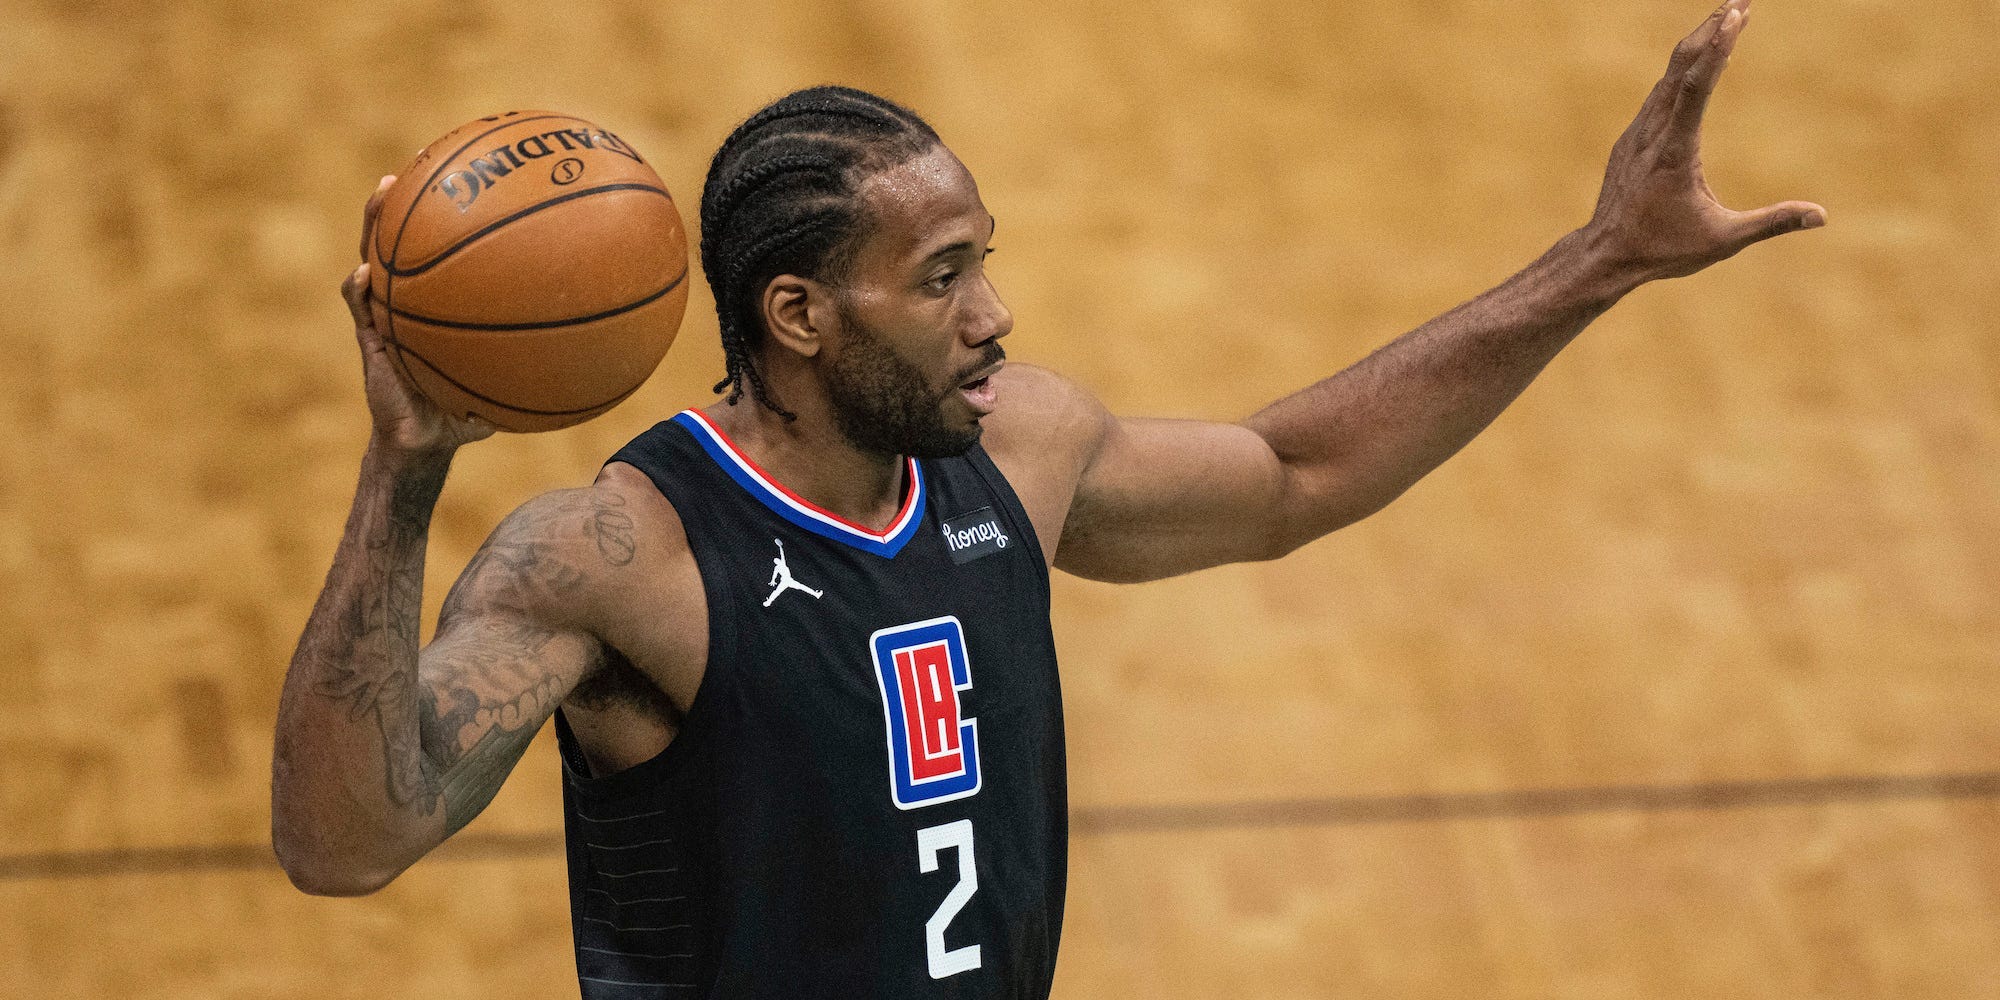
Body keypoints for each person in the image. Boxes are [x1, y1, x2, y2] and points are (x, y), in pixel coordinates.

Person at [270, 1, 1821, 996]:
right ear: (801, 316)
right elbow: (347, 844)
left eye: (985, 258)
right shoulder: (618, 558)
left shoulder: (1014, 453)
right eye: (944, 277)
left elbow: (1298, 473)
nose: (996, 312)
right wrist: (405, 477)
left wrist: (1601, 257)